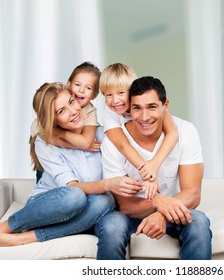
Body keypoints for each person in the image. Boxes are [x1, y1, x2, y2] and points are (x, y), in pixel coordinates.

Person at [0, 83, 142, 260]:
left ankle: (24, 238)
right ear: (52, 119)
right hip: (52, 207)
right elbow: (73, 187)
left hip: (92, 211)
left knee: (108, 208)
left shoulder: (104, 134)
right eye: (61, 111)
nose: (73, 111)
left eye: (71, 102)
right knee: (75, 196)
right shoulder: (45, 142)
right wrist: (107, 184)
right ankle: (0, 228)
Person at [100, 76, 212, 259]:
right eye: (137, 108)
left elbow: (193, 193)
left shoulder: (185, 131)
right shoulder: (113, 142)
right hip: (130, 215)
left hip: (171, 211)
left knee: (198, 221)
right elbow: (124, 205)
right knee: (112, 224)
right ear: (129, 107)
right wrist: (156, 201)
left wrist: (162, 214)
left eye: (152, 107)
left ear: (165, 105)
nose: (144, 117)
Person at [99, 63, 179, 200]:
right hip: (121, 165)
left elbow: (173, 133)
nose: (115, 101)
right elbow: (123, 145)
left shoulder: (148, 104)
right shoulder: (109, 114)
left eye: (121, 93)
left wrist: (154, 164)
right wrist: (148, 175)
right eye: (108, 95)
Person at [30, 62, 102, 182]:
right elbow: (42, 137)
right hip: (47, 155)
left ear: (94, 95)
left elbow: (85, 143)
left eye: (88, 88)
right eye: (77, 84)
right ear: (68, 85)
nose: (81, 90)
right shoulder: (47, 115)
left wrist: (60, 133)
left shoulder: (89, 111)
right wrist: (60, 135)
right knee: (45, 176)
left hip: (73, 162)